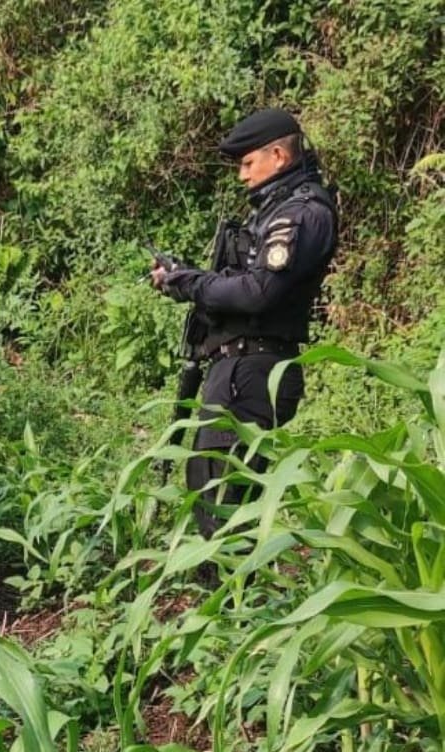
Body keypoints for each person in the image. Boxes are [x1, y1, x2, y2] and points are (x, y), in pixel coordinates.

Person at [151, 108, 338, 537]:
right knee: (210, 490)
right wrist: (184, 277)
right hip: (236, 368)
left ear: (278, 155)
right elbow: (243, 283)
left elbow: (259, 293)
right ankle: (228, 594)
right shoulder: (276, 211)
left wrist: (192, 283)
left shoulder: (302, 213)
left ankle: (233, 598)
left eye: (247, 163)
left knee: (224, 505)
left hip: (253, 372)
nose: (241, 175)